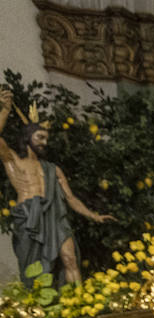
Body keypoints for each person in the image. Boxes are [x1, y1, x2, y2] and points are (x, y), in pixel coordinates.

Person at [0, 88, 115, 285]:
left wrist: (93, 215)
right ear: (28, 138)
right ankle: (39, 308)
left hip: (55, 218)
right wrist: (5, 111)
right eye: (40, 137)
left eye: (46, 138)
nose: (45, 142)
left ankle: (79, 303)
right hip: (29, 218)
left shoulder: (53, 169)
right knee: (33, 271)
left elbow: (70, 198)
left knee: (70, 258)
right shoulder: (15, 163)